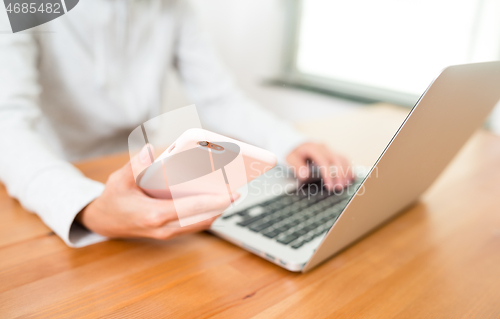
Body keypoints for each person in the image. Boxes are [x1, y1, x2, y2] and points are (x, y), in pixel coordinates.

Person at [0, 0, 352, 247]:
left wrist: (289, 141)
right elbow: (8, 123)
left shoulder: (173, 7)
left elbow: (218, 97)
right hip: (46, 179)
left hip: (139, 174)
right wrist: (84, 206)